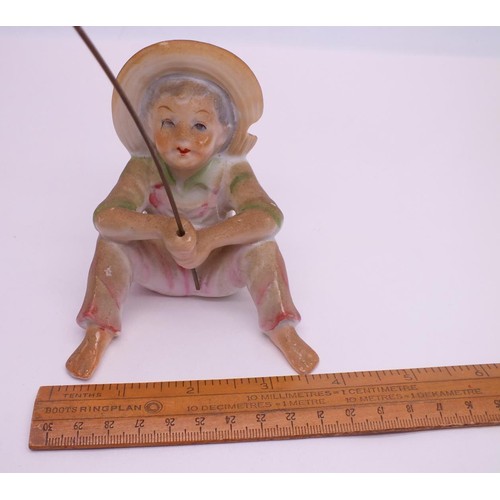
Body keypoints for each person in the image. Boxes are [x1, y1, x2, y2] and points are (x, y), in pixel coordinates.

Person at [66, 40, 319, 379]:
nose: (182, 138)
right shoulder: (144, 167)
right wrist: (160, 228)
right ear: (148, 125)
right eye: (167, 123)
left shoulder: (229, 169)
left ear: (223, 132)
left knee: (264, 249)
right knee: (110, 244)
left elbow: (268, 217)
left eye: (200, 126)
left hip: (214, 271)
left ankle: (281, 327)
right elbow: (106, 217)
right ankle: (99, 329)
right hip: (159, 268)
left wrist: (208, 240)